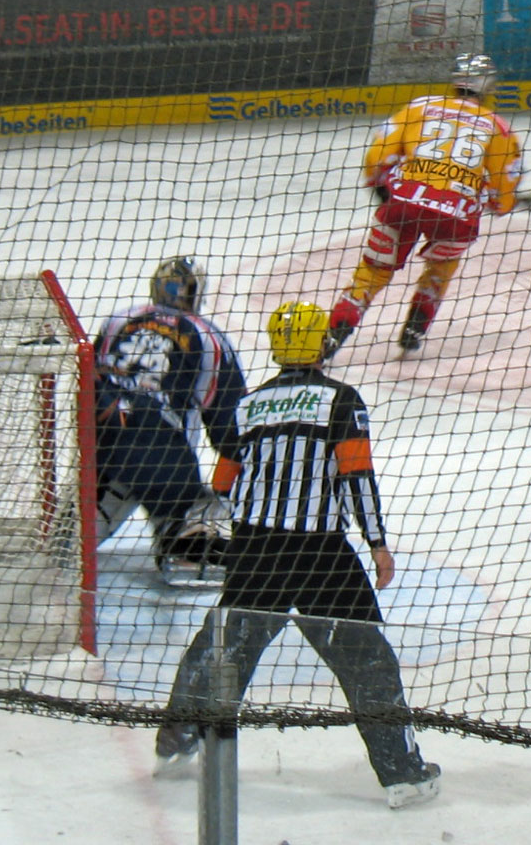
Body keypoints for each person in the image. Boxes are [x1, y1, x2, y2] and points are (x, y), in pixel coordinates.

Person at [153, 302, 441, 811]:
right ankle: (402, 773)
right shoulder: (340, 400)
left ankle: (177, 736)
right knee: (365, 659)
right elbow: (357, 478)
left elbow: (223, 481)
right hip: (319, 555)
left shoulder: (248, 404)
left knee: (226, 644)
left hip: (255, 548)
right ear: (320, 344)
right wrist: (377, 543)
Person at [326, 53, 523, 359]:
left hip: (404, 203)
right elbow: (503, 192)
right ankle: (414, 330)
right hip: (456, 213)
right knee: (440, 270)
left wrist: (386, 193)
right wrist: (496, 201)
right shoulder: (498, 126)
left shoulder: (418, 107)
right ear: (488, 85)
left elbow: (378, 158)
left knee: (372, 272)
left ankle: (332, 338)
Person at [93, 257, 247, 582]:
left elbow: (91, 379)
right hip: (161, 457)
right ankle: (183, 539)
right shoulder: (210, 338)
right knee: (205, 509)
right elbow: (229, 430)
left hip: (103, 443)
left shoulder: (118, 319)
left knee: (71, 543)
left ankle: (74, 530)